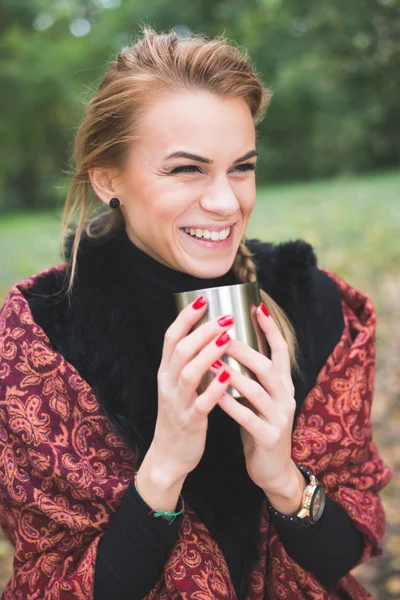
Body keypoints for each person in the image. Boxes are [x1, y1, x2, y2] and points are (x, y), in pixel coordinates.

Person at [0, 26, 392, 600]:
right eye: (187, 169)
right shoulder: (40, 341)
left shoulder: (317, 305)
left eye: (242, 166)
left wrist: (281, 477)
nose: (227, 202)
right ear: (109, 178)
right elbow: (54, 585)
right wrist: (164, 466)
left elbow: (342, 555)